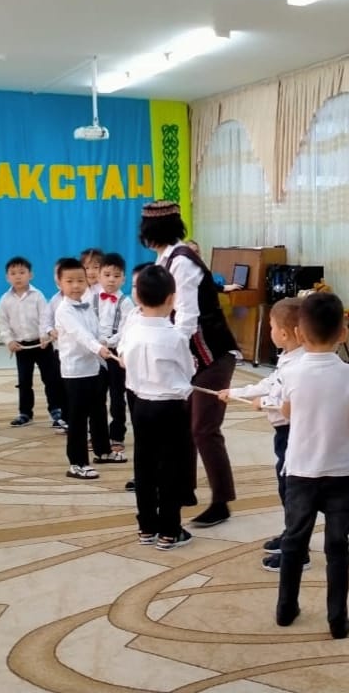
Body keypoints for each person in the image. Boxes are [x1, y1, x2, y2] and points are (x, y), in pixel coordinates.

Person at [276, 292, 349, 639]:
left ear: (299, 333)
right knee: (337, 546)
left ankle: (286, 608)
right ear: (343, 332)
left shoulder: (291, 372)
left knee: (293, 541)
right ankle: (337, 619)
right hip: (340, 473)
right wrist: (342, 416)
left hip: (301, 472)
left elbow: (287, 414)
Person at [139, 200, 239, 527]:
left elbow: (186, 319)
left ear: (152, 231)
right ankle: (184, 489)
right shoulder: (164, 258)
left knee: (204, 428)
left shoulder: (182, 261)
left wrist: (165, 351)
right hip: (189, 357)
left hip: (212, 355)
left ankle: (221, 501)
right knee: (182, 426)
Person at [218, 297, 307, 572]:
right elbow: (270, 384)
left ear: (285, 333)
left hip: (294, 433)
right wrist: (236, 392)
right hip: (283, 434)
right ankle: (291, 534)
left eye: (271, 326)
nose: (270, 331)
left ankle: (298, 551)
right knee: (285, 487)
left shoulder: (301, 364)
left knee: (293, 491)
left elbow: (293, 400)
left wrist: (265, 403)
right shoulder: (288, 358)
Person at [121, 264, 195, 550]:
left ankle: (146, 527)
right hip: (170, 408)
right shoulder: (175, 336)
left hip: (140, 405)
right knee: (171, 468)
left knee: (144, 466)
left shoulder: (132, 331)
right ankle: (169, 531)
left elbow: (123, 358)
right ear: (171, 299)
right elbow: (188, 372)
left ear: (138, 297)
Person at [54, 257, 116, 479]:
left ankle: (103, 451)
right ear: (59, 283)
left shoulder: (87, 304)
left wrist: (108, 342)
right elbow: (80, 335)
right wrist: (99, 347)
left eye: (80, 280)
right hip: (75, 371)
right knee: (78, 418)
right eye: (69, 281)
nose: (76, 285)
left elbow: (96, 331)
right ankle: (77, 463)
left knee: (99, 411)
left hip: (93, 367)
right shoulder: (63, 310)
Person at [0, 256, 65, 429]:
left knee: (51, 379)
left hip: (42, 345)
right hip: (21, 347)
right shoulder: (5, 300)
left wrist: (44, 336)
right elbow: (2, 323)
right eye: (13, 273)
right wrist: (9, 341)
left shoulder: (37, 296)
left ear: (30, 275)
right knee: (24, 381)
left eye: (22, 272)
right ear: (7, 277)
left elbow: (45, 318)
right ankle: (25, 413)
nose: (18, 277)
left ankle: (56, 409)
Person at [94, 252, 134, 457]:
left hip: (116, 353)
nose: (111, 280)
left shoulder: (126, 303)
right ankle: (97, 435)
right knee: (96, 396)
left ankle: (117, 435)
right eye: (107, 275)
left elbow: (126, 329)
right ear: (99, 276)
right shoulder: (91, 299)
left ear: (124, 279)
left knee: (118, 396)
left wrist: (108, 342)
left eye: (116, 276)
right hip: (95, 353)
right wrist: (96, 343)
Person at [118, 262, 150, 493]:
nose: (137, 291)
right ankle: (142, 476)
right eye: (134, 286)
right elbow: (123, 340)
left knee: (158, 436)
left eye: (142, 285)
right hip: (133, 384)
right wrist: (121, 353)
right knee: (140, 432)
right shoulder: (132, 314)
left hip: (156, 390)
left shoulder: (169, 319)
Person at [40, 258, 68, 433]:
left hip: (79, 352)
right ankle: (64, 417)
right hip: (59, 350)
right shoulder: (54, 300)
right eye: (56, 274)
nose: (58, 277)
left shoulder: (85, 297)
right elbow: (46, 321)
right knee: (59, 384)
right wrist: (50, 331)